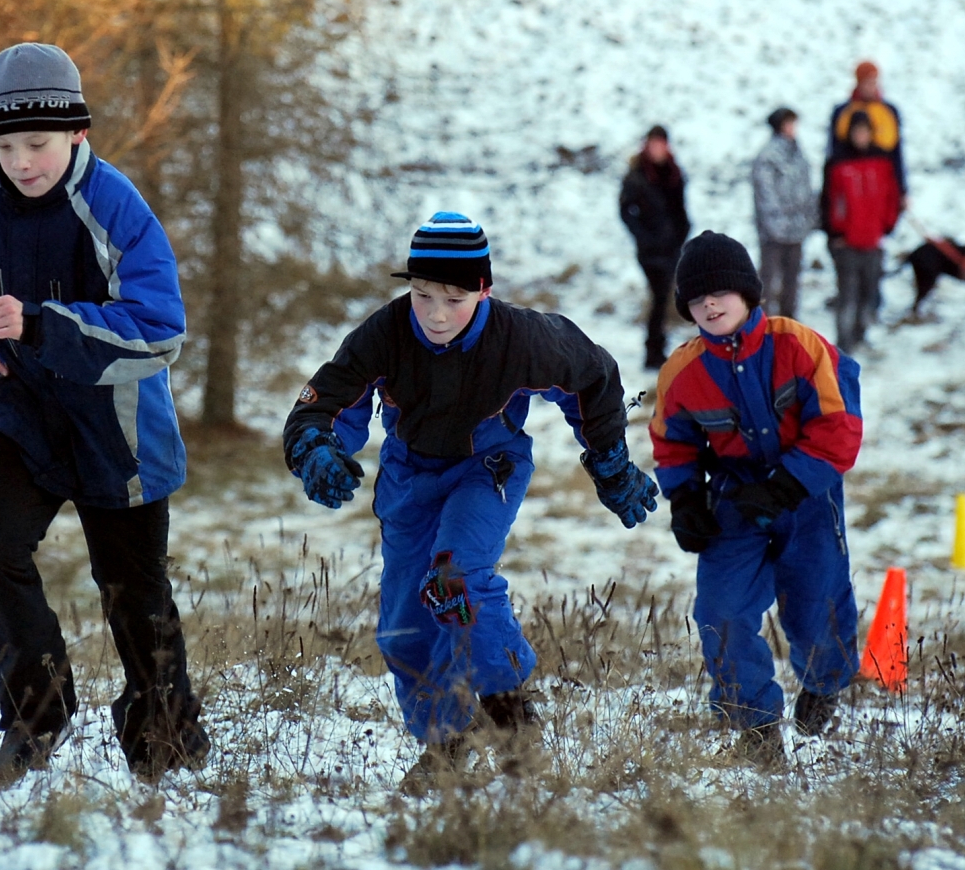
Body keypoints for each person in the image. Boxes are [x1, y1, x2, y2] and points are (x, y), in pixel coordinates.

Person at [283, 212, 658, 794]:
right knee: (405, 628)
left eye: (453, 299)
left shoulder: (525, 338)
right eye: (422, 294)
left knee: (455, 575)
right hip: (409, 476)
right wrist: (317, 449)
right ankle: (447, 744)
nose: (435, 313)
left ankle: (510, 711)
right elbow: (323, 403)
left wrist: (609, 463)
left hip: (489, 466)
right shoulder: (384, 334)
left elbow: (595, 378)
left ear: (484, 289)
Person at [0, 43, 209, 788]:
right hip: (20, 412)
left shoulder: (115, 205)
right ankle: (35, 714)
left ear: (78, 132)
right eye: (6, 144)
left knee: (133, 594)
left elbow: (160, 330)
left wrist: (42, 324)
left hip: (117, 427)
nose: (22, 161)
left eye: (39, 144)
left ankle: (166, 745)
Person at [649, 231, 862, 769]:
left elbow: (839, 429)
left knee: (816, 605)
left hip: (807, 496)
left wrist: (787, 486)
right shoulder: (683, 371)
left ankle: (824, 684)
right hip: (734, 499)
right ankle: (755, 727)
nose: (710, 305)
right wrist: (685, 502)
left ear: (748, 294)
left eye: (721, 293)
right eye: (697, 300)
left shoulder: (801, 346)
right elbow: (672, 443)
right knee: (721, 611)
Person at [820, 111, 902, 353]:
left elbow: (891, 196)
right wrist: (834, 232)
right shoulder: (837, 163)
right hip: (846, 241)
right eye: (857, 131)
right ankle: (844, 342)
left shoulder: (883, 161)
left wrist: (887, 225)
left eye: (865, 131)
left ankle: (861, 335)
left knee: (869, 293)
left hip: (874, 239)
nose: (861, 136)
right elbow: (828, 200)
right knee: (848, 294)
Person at [620, 125, 692, 369]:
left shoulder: (673, 172)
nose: (657, 149)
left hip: (671, 246)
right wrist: (643, 237)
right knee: (660, 295)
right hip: (650, 250)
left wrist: (682, 232)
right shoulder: (637, 174)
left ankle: (657, 348)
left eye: (661, 144)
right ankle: (653, 351)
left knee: (663, 297)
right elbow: (626, 210)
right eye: (653, 144)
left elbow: (680, 208)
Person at [751, 107, 815, 320]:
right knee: (768, 282)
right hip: (773, 233)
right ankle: (764, 326)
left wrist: (806, 220)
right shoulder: (768, 157)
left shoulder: (798, 154)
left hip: (797, 230)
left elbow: (806, 189)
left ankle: (789, 326)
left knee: (792, 282)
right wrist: (777, 224)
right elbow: (765, 196)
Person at [827, 60, 907, 197]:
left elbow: (897, 152)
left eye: (874, 81)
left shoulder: (888, 111)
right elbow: (834, 152)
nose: (872, 86)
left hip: (882, 178)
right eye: (867, 82)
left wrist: (902, 189)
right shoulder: (843, 112)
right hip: (852, 182)